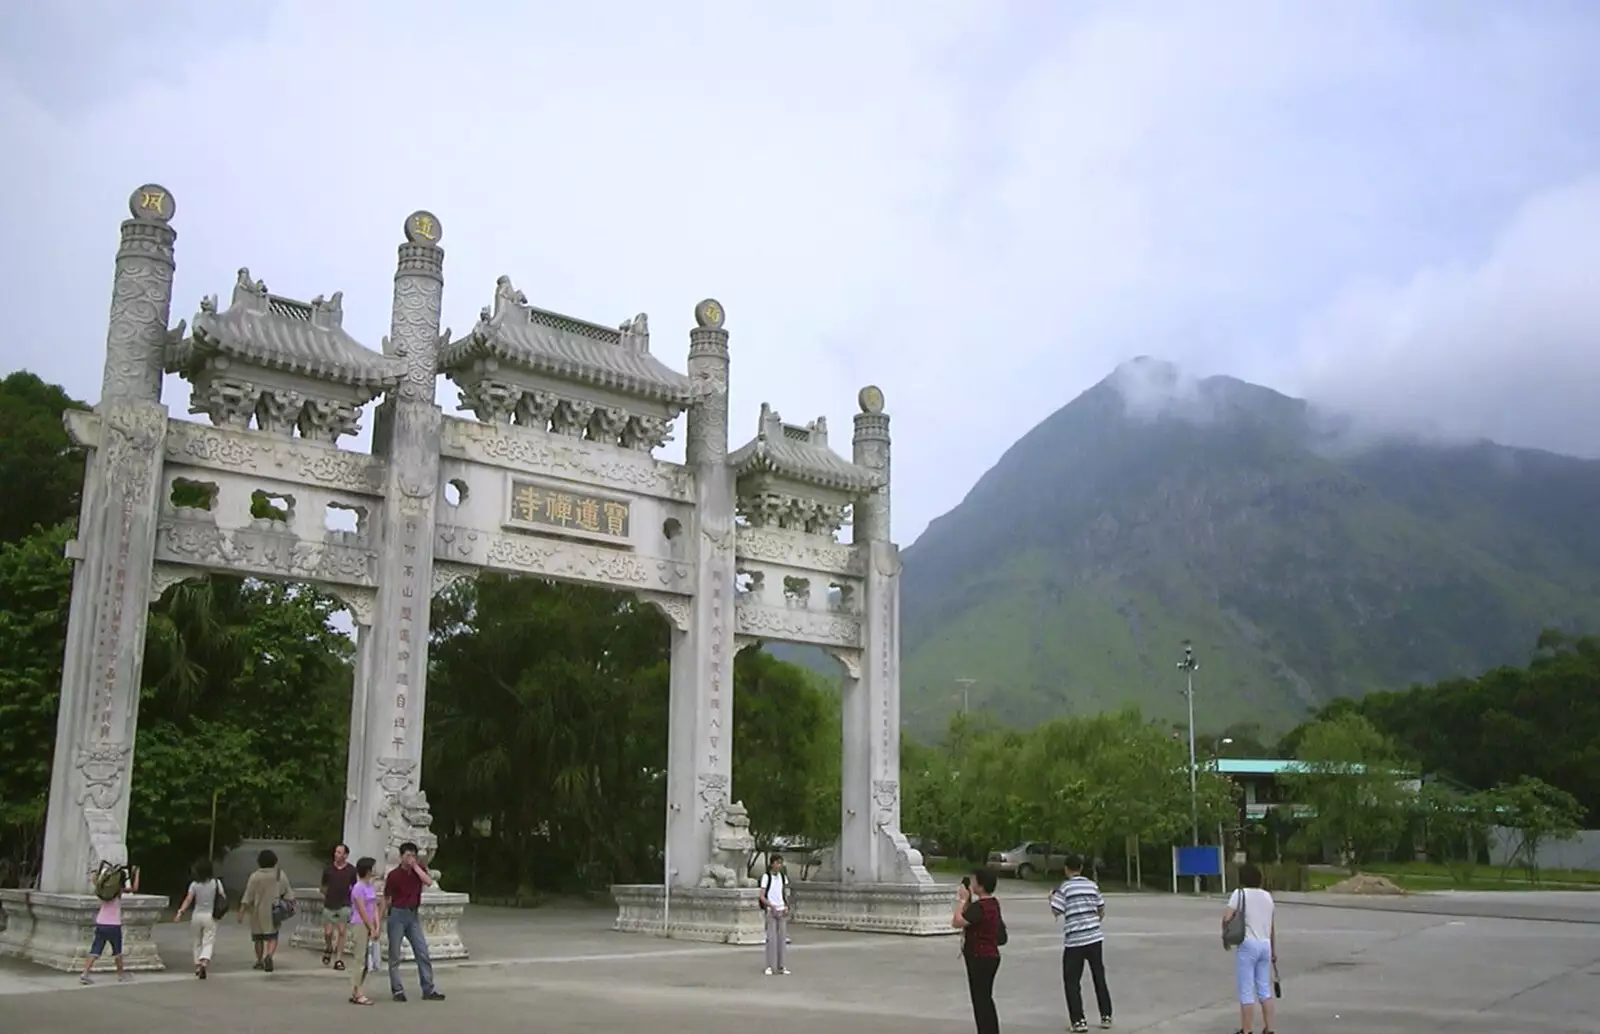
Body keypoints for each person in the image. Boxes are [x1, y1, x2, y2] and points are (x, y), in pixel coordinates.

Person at [1050, 853, 1113, 1031]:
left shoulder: (1065, 888)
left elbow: (1056, 910)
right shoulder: (1092, 885)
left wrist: (1051, 897)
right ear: (1081, 868)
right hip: (1094, 937)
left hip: (1075, 941)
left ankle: (1079, 1021)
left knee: (1072, 981)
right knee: (1098, 976)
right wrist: (1093, 923)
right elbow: (1101, 909)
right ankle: (1106, 1015)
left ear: (1066, 869)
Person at [383, 841, 446, 1002]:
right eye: (407, 855)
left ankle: (428, 989)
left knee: (422, 952)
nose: (410, 858)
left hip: (413, 914)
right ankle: (397, 990)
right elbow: (386, 898)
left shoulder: (418, 872)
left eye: (413, 855)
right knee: (395, 954)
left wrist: (416, 867)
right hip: (397, 913)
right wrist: (380, 918)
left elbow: (429, 882)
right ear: (401, 857)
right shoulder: (394, 875)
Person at [1222, 863, 1278, 1034]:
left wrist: (1225, 936)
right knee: (1264, 989)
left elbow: (1226, 917)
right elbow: (1271, 926)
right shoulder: (1268, 897)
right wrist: (1273, 950)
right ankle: (1269, 1028)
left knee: (1246, 989)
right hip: (1265, 945)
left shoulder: (1239, 894)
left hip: (1248, 944)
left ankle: (1247, 1030)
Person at [951, 867, 1003, 1034]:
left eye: (974, 881)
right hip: (992, 955)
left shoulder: (980, 906)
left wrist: (961, 901)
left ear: (980, 885)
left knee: (980, 1000)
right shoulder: (994, 904)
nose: (972, 884)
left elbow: (957, 922)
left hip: (978, 956)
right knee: (986, 998)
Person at [78, 861, 138, 985]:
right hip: (114, 924)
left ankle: (85, 973)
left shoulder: (102, 890)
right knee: (117, 952)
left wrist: (98, 872)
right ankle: (121, 975)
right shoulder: (118, 891)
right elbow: (134, 888)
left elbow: (95, 880)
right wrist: (136, 873)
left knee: (95, 949)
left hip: (101, 922)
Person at [239, 848, 293, 973]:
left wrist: (241, 910)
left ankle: (259, 961)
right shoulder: (279, 874)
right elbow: (288, 893)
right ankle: (269, 955)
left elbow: (248, 895)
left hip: (257, 911)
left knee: (258, 937)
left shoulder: (255, 876)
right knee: (272, 936)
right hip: (274, 910)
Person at [173, 858, 224, 979]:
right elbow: (223, 897)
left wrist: (180, 912)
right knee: (209, 940)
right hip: (210, 916)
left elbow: (188, 899)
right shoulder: (216, 883)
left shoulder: (195, 885)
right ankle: (204, 961)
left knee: (196, 940)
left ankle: (197, 965)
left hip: (197, 915)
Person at [348, 856, 381, 1006]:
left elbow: (374, 907)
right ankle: (357, 991)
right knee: (359, 958)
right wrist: (371, 927)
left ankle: (358, 989)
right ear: (367, 870)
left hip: (369, 924)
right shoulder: (358, 887)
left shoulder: (370, 886)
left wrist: (377, 925)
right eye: (373, 868)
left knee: (368, 960)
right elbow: (361, 909)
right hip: (360, 924)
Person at [320, 842, 358, 970]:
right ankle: (328, 947)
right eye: (336, 852)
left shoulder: (351, 870)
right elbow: (323, 886)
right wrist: (327, 894)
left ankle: (339, 959)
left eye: (340, 852)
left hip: (344, 903)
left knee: (342, 932)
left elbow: (354, 886)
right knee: (328, 932)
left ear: (346, 855)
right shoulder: (328, 869)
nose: (336, 855)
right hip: (329, 903)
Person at [758, 853, 792, 976]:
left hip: (782, 909)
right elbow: (762, 895)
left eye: (780, 863)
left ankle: (781, 966)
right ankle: (769, 966)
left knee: (782, 939)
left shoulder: (783, 877)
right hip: (771, 910)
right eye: (777, 863)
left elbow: (785, 893)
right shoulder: (766, 877)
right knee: (771, 939)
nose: (779, 865)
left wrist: (787, 905)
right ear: (772, 864)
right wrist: (770, 906)